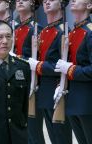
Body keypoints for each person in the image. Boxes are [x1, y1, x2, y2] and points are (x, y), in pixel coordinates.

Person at [27, 0, 72, 143]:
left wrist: (38, 65)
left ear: (61, 4)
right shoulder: (44, 31)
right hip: (43, 92)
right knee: (52, 137)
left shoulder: (63, 31)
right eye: (45, 0)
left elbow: (62, 65)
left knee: (61, 138)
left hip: (57, 91)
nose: (46, 2)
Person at [54, 0, 92, 143]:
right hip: (71, 99)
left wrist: (70, 69)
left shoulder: (89, 33)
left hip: (87, 101)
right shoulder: (71, 32)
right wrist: (59, 84)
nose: (73, 1)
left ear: (89, 5)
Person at [15, 0, 45, 144]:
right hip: (15, 83)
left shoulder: (37, 28)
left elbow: (39, 58)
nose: (19, 1)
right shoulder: (15, 28)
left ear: (33, 4)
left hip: (31, 85)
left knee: (34, 132)